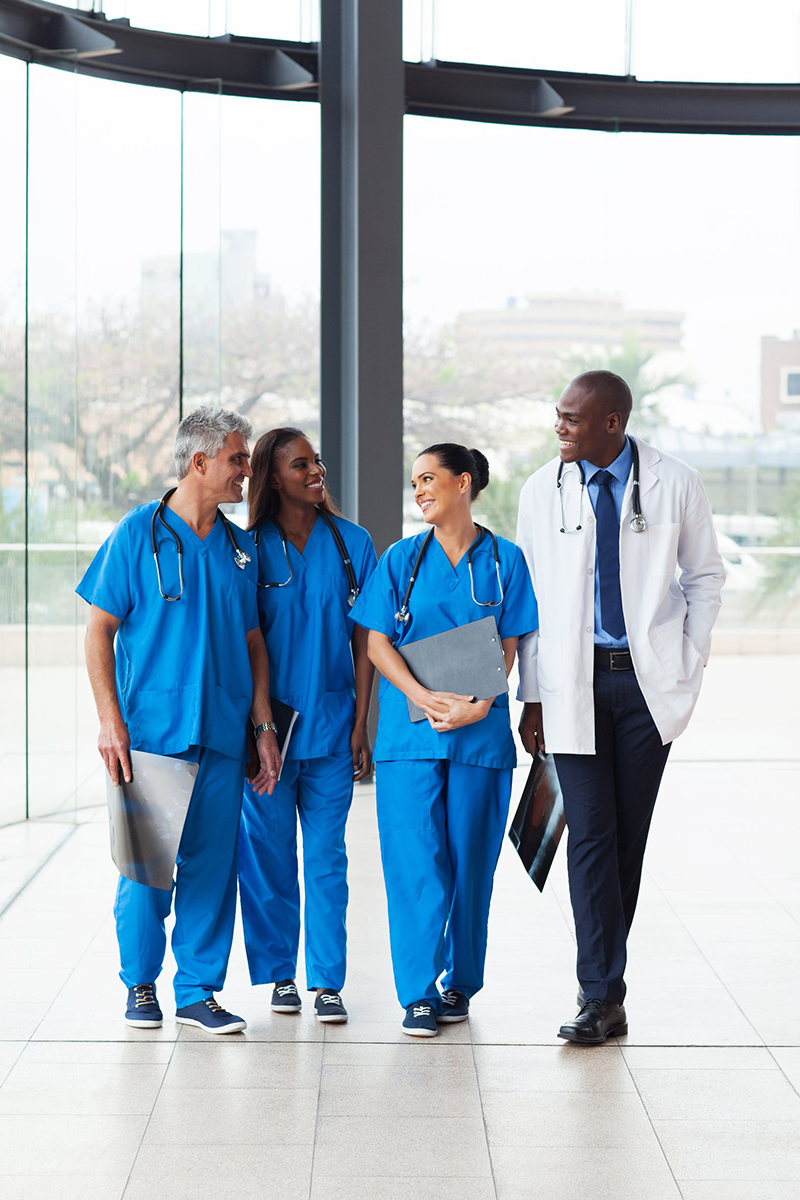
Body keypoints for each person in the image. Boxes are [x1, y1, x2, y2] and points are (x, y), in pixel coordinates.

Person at [516, 371, 725, 1044]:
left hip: (643, 690)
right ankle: (599, 993)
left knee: (625, 844)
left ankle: (604, 989)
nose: (560, 427)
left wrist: (686, 658)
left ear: (613, 423)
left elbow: (705, 576)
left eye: (573, 418)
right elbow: (528, 600)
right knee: (591, 841)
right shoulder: (540, 490)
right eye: (558, 416)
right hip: (572, 685)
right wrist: (534, 695)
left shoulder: (675, 482)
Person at [78, 407, 281, 1035]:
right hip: (149, 735)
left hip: (221, 731)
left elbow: (253, 643)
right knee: (145, 870)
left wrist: (264, 728)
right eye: (238, 460)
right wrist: (111, 723)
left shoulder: (238, 547)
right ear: (201, 462)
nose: (248, 471)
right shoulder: (137, 535)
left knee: (213, 871)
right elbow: (98, 633)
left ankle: (197, 991)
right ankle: (140, 985)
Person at [351, 443, 538, 1036]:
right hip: (410, 739)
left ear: (464, 483)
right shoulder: (402, 560)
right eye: (414, 483)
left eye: (429, 479)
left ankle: (460, 983)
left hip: (480, 740)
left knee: (470, 863)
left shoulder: (506, 561)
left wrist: (479, 705)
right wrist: (424, 696)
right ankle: (418, 994)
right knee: (413, 864)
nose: (420, 491)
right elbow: (376, 640)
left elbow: (510, 643)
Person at [237, 428, 377, 1024]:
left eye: (317, 461)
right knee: (267, 855)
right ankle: (279, 976)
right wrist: (259, 723)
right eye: (301, 464)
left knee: (326, 857)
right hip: (266, 731)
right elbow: (243, 642)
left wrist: (362, 723)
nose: (316, 471)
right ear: (272, 477)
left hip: (331, 723)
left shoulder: (352, 543)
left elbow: (368, 639)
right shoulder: (247, 549)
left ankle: (327, 980)